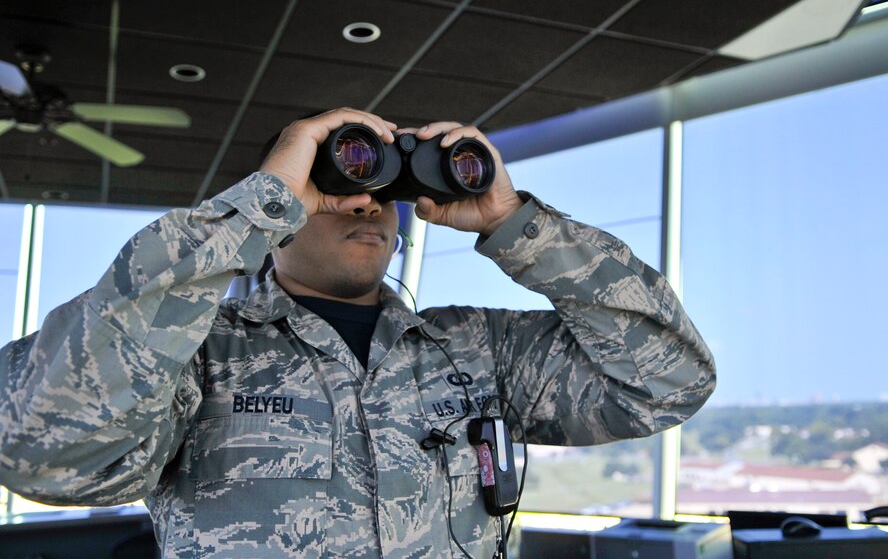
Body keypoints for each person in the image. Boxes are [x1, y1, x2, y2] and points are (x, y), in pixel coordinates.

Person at [0, 108, 716, 559]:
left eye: (386, 190)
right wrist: (255, 209)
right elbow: (48, 447)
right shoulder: (197, 353)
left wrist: (514, 223)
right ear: (279, 214)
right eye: (334, 183)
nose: (368, 204)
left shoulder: (477, 350)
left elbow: (667, 381)